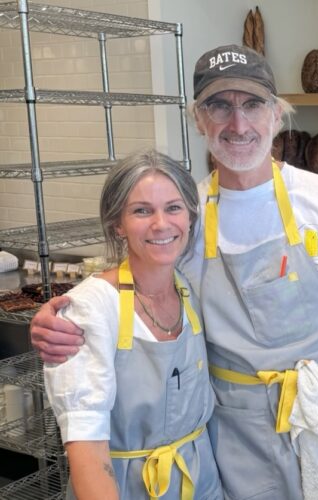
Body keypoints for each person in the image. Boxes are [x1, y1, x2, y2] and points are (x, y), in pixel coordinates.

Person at [32, 44, 318, 500]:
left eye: (253, 104)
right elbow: (132, 288)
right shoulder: (187, 216)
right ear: (199, 120)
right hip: (235, 444)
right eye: (219, 106)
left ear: (277, 115)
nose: (238, 124)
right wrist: (63, 320)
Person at [43, 151, 222, 499]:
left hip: (200, 482)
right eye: (142, 210)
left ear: (190, 215)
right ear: (117, 224)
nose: (161, 224)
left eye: (173, 208)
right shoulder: (91, 309)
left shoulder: (189, 289)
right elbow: (87, 448)